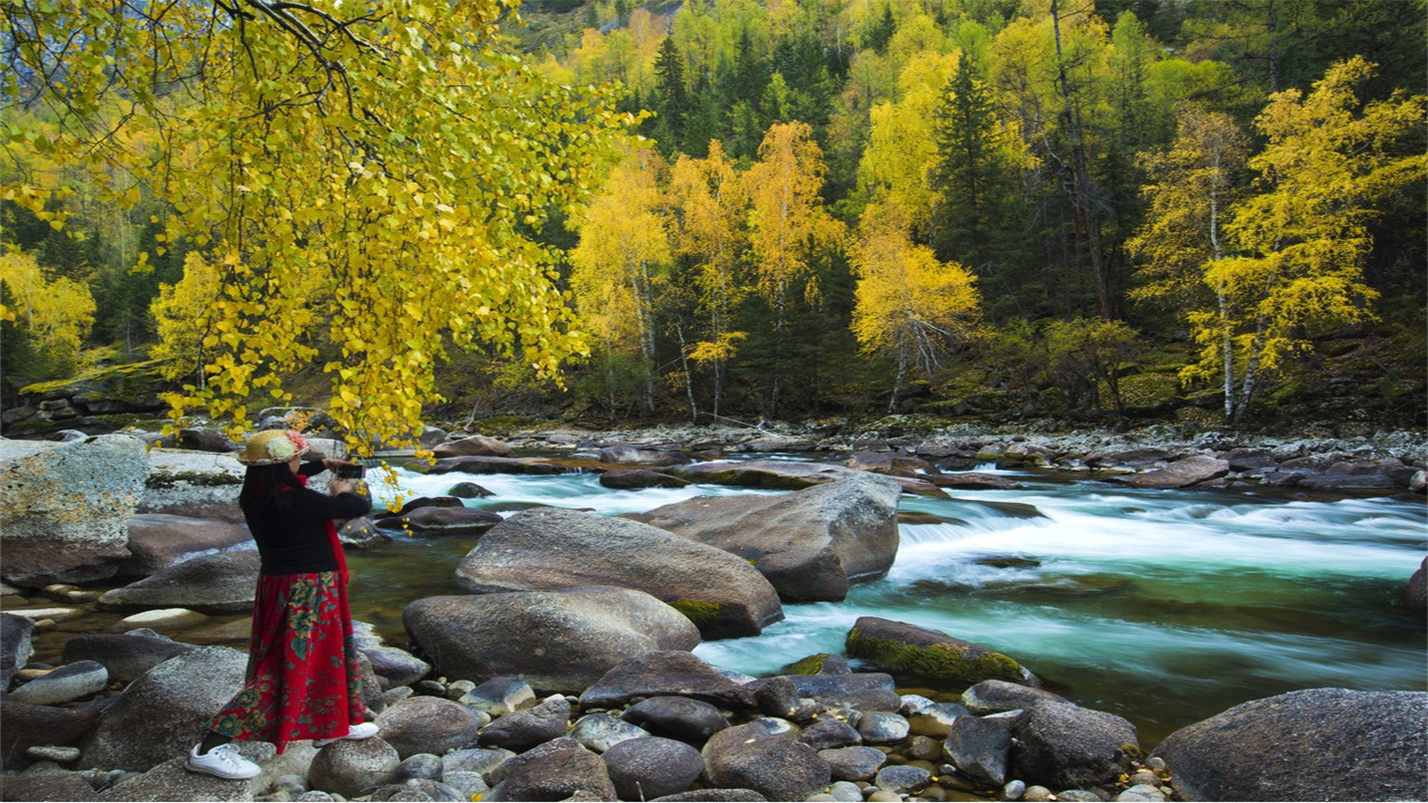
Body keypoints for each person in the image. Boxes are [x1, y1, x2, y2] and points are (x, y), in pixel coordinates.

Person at [184, 429, 377, 780]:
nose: (300, 464)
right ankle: (209, 748)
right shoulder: (299, 501)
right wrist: (344, 489)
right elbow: (357, 507)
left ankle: (331, 722)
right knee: (285, 668)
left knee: (325, 654)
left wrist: (322, 464)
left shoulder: (258, 496)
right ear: (281, 467)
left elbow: (296, 478)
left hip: (282, 584)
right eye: (296, 459)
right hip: (308, 589)